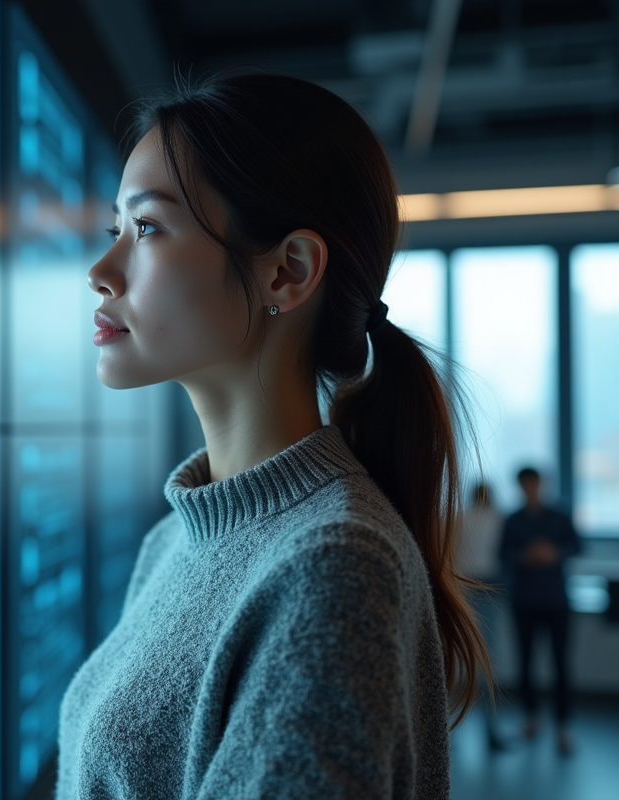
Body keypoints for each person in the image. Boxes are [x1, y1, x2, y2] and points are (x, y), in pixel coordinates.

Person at [59, 74, 488, 800]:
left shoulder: (334, 565)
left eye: (148, 228)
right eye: (115, 231)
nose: (102, 272)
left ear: (288, 272)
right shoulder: (174, 540)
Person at [499, 466, 581, 754]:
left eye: (533, 484)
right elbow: (503, 554)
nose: (530, 489)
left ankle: (563, 725)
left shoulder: (559, 515)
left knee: (561, 663)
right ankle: (531, 717)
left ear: (540, 485)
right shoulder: (512, 519)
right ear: (520, 487)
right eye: (525, 485)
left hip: (556, 600)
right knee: (526, 661)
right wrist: (524, 555)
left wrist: (554, 552)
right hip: (524, 600)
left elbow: (577, 546)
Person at [456, 482, 507, 750]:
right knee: (487, 660)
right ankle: (490, 731)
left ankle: (452, 731)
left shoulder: (460, 518)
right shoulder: (498, 518)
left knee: (461, 659)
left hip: (464, 587)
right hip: (486, 587)